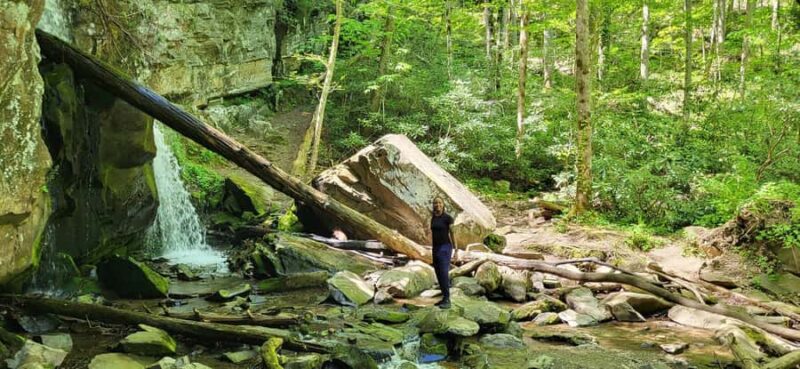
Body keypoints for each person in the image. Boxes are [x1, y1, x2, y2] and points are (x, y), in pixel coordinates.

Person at [430, 197, 457, 309]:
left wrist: (456, 250)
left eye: (440, 202)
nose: (437, 204)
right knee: (438, 272)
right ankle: (444, 298)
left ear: (443, 204)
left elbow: (453, 234)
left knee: (443, 272)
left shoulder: (448, 218)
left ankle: (448, 300)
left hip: (445, 247)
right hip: (435, 248)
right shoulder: (433, 218)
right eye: (435, 203)